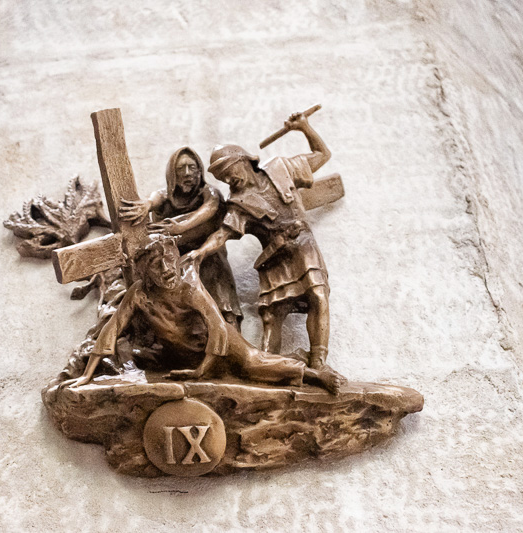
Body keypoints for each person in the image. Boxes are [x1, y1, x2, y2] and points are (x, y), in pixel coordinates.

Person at [64, 235, 342, 393]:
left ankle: (314, 376)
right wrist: (87, 375)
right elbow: (113, 327)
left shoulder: (189, 289)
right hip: (183, 354)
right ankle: (291, 361)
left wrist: (202, 370)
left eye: (169, 261)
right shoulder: (138, 294)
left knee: (252, 365)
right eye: (157, 266)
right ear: (145, 273)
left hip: (219, 346)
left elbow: (217, 327)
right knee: (138, 359)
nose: (166, 270)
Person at [186, 112, 339, 378]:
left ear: (243, 159)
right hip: (273, 258)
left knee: (318, 294)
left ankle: (318, 362)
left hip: (303, 245)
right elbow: (222, 235)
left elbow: (322, 154)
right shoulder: (238, 204)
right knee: (272, 316)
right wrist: (200, 252)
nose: (228, 180)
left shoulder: (281, 168)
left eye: (229, 171)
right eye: (223, 177)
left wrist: (304, 127)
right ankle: (270, 370)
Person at [118, 147, 243, 329]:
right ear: (172, 174)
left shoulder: (209, 193)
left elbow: (209, 209)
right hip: (174, 261)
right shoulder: (166, 197)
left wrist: (181, 226)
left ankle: (231, 329)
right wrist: (147, 205)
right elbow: (156, 198)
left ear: (199, 171)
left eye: (192, 167)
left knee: (221, 295)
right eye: (180, 168)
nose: (187, 173)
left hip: (207, 256)